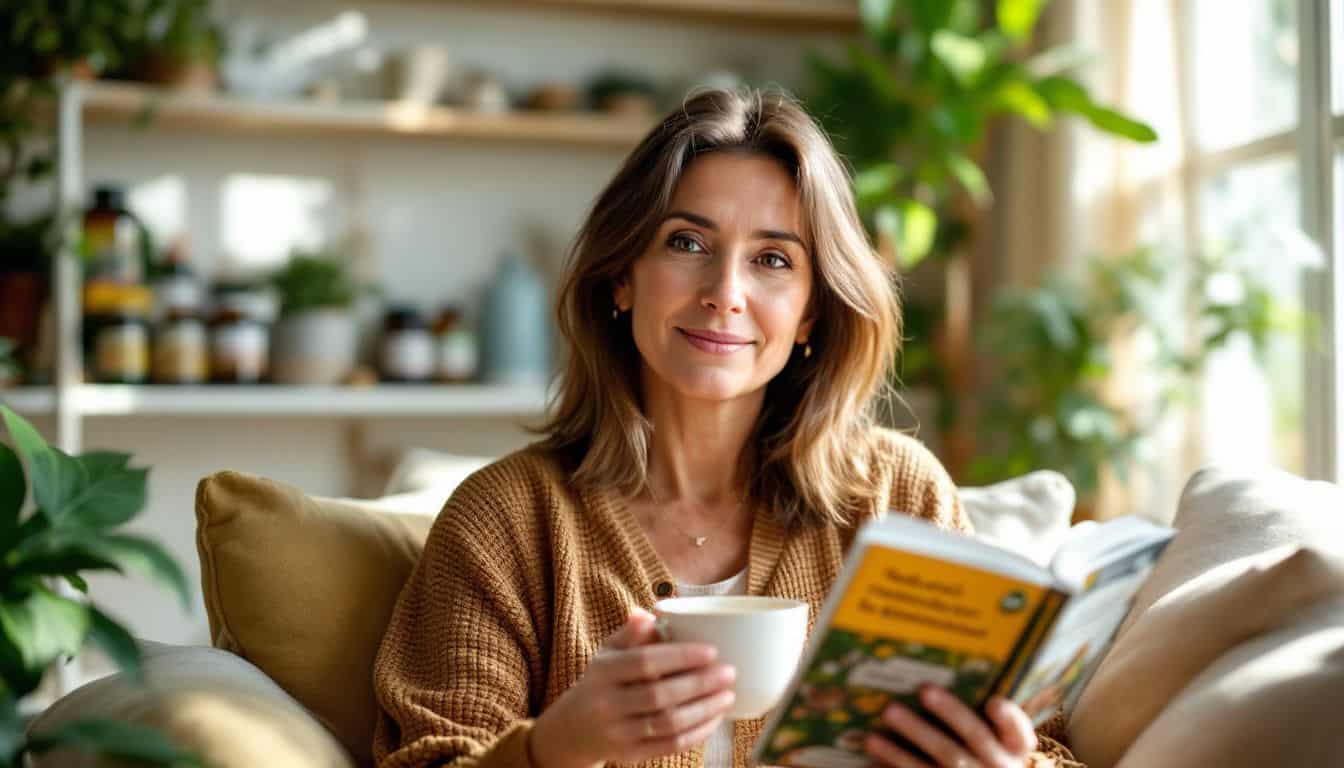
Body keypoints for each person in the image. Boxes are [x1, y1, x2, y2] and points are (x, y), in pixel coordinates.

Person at [372, 87, 1081, 768]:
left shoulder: (899, 498)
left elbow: (1044, 747)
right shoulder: (507, 520)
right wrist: (560, 747)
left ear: (811, 312)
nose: (725, 295)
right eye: (686, 243)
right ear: (622, 276)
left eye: (773, 260)